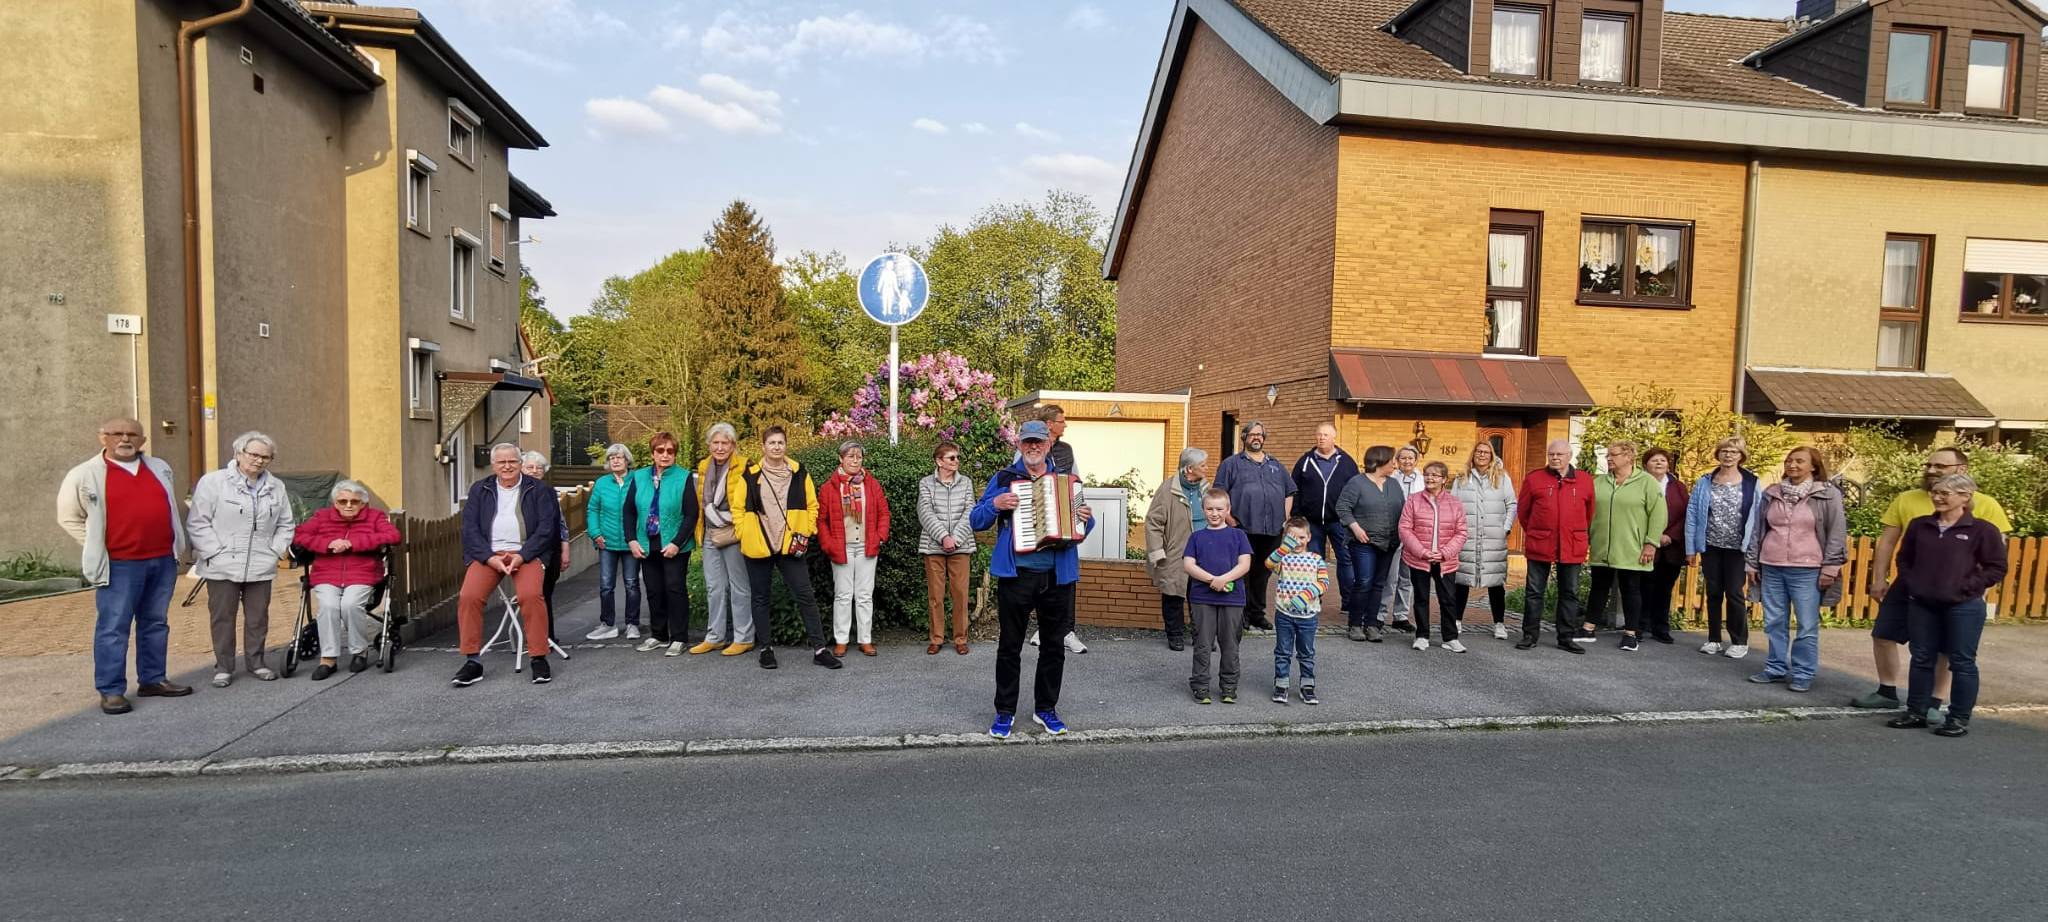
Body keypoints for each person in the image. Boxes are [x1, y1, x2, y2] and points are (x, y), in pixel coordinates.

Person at [1855, 447, 2012, 715]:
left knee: (1943, 650)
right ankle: (1887, 691)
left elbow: (1996, 555)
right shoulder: (1908, 501)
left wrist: (1972, 587)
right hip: (1912, 585)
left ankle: (1934, 702)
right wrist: (1880, 578)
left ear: (1961, 470)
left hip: (1956, 591)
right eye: (1929, 465)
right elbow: (1890, 544)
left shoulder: (1986, 505)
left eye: (1939, 466)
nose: (1931, 470)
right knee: (1883, 635)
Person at [57, 417, 195, 714]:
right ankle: (111, 690)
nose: (125, 438)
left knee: (155, 624)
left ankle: (153, 679)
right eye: (117, 433)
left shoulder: (160, 468)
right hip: (120, 565)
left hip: (162, 560)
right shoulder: (85, 474)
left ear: (142, 440)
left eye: (132, 434)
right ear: (102, 438)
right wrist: (96, 545)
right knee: (113, 628)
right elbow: (69, 517)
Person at [971, 419, 1094, 737]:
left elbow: (1082, 528)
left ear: (1049, 444)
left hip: (1057, 576)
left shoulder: (1067, 481)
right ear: (1020, 444)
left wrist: (1086, 519)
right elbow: (977, 519)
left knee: (1053, 647)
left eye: (1039, 441)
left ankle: (1046, 709)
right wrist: (995, 505)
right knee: (1009, 647)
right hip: (1017, 576)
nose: (1033, 446)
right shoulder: (1004, 478)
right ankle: (1004, 712)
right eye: (1028, 442)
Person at [1885, 474, 2007, 738]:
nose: (1937, 497)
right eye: (1935, 492)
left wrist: (1968, 586)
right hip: (1922, 603)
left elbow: (1997, 567)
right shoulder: (1920, 526)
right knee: (1921, 658)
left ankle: (1958, 718)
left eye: (1945, 493)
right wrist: (1913, 584)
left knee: (1962, 662)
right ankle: (1916, 711)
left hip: (1963, 606)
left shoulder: (1983, 530)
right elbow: (1904, 559)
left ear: (1965, 497)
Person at [188, 431, 297, 687]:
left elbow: (286, 524)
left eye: (266, 457)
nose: (259, 461)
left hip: (261, 563)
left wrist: (274, 551)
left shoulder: (276, 486)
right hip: (221, 563)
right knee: (222, 617)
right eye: (254, 454)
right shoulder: (214, 482)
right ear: (239, 454)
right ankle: (224, 667)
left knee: (258, 617)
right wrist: (214, 552)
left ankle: (257, 663)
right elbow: (198, 523)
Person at [451, 443, 561, 687]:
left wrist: (523, 556)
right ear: (494, 466)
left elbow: (546, 529)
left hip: (526, 553)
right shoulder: (481, 489)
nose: (507, 466)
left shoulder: (539, 489)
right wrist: (490, 558)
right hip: (490, 555)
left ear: (520, 463)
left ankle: (538, 657)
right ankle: (472, 661)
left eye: (512, 461)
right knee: (469, 596)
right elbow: (469, 530)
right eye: (502, 462)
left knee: (531, 595)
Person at [1744, 446, 1847, 693]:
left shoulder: (1827, 494)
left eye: (1799, 461)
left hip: (1807, 569)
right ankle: (1776, 668)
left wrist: (1831, 566)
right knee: (1774, 621)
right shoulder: (1772, 492)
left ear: (1813, 466)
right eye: (1789, 460)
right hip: (1772, 566)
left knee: (1807, 624)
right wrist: (1752, 562)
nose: (1792, 465)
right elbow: (1758, 529)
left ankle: (1803, 673)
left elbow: (1836, 532)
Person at [736, 426, 836, 670]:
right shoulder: (750, 475)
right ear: (763, 446)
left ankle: (820, 648)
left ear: (786, 446)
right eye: (772, 443)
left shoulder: (799, 473)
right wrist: (744, 533)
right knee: (760, 597)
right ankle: (766, 649)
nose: (777, 447)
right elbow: (738, 509)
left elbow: (813, 505)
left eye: (780, 442)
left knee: (805, 594)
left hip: (790, 544)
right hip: (759, 543)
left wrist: (808, 529)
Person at [291, 480, 401, 679]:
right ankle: (328, 658)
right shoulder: (322, 517)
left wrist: (352, 543)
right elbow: (299, 536)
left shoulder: (375, 517)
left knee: (350, 604)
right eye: (343, 501)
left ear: (363, 503)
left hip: (362, 573)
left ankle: (359, 651)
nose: (348, 505)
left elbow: (392, 536)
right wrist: (328, 543)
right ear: (335, 502)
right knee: (329, 606)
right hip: (327, 574)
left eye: (354, 501)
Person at [1584, 440, 1666, 653]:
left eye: (1614, 455)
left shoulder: (1647, 483)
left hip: (1632, 546)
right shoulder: (1599, 482)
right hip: (1603, 546)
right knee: (1598, 586)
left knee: (1630, 589)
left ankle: (1631, 634)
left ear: (1629, 457)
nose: (1609, 458)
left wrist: (1650, 543)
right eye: (1607, 455)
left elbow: (1658, 514)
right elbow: (1587, 510)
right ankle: (1588, 628)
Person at [1212, 420, 1294, 631]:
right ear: (1244, 438)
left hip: (1272, 530)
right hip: (1243, 529)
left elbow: (1289, 492)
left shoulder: (1275, 464)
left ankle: (1258, 613)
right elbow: (1219, 495)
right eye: (1252, 434)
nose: (1256, 438)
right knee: (1243, 572)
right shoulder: (1231, 464)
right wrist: (1230, 520)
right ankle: (1242, 614)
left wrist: (1284, 517)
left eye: (1260, 435)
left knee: (1263, 572)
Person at [623, 432, 698, 657]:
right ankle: (658, 635)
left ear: (674, 454)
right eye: (660, 451)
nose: (665, 455)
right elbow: (628, 511)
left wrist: (677, 542)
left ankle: (679, 637)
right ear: (653, 453)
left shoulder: (683, 477)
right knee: (654, 591)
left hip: (674, 545)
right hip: (647, 543)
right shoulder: (638, 477)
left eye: (670, 451)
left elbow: (691, 514)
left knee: (675, 589)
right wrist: (631, 539)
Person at [1684, 438, 1761, 659]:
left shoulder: (1751, 483)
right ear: (1718, 455)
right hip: (1711, 546)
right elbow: (1692, 515)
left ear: (1741, 456)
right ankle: (1713, 638)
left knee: (1735, 593)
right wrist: (1691, 548)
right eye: (1724, 451)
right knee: (1713, 592)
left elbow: (1758, 517)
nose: (1728, 455)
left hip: (1738, 548)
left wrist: (1754, 550)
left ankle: (1739, 641)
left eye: (1733, 452)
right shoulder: (1705, 482)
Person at [1515, 439, 1594, 653]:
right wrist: (1537, 531)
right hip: (1541, 543)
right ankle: (1530, 635)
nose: (1555, 458)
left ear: (1569, 456)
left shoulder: (1585, 480)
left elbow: (1589, 513)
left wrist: (1574, 531)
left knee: (1570, 592)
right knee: (1534, 592)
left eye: (1559, 454)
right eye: (1551, 454)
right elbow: (1523, 513)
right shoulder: (1534, 479)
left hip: (1572, 544)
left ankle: (1566, 637)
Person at [819, 441, 890, 657]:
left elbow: (884, 514)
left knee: (864, 595)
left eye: (858, 456)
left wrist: (879, 537)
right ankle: (841, 640)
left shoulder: (872, 485)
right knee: (842, 595)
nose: (855, 460)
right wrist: (829, 544)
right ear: (841, 459)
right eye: (850, 456)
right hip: (842, 547)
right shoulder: (830, 487)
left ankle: (864, 640)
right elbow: (821, 521)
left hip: (866, 546)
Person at [1028, 404, 1088, 655]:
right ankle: (1043, 628)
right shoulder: (1030, 448)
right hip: (1039, 518)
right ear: (1050, 424)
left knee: (1067, 577)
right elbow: (1021, 480)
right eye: (1062, 421)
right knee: (1039, 576)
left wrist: (1080, 510)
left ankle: (1067, 631)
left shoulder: (1067, 450)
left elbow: (1077, 481)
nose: (1065, 425)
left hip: (1064, 519)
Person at [691, 423, 755, 656]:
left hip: (734, 532)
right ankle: (715, 636)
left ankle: (744, 637)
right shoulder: (704, 465)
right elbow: (702, 501)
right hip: (709, 531)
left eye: (724, 443)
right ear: (709, 445)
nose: (719, 447)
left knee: (740, 587)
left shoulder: (745, 465)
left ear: (733, 445)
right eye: (715, 443)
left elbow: (750, 502)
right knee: (714, 587)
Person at [1182, 488, 1251, 705]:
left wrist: (1224, 579)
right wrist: (1212, 580)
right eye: (1210, 509)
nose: (1214, 513)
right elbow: (1188, 565)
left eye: (1219, 509)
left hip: (1233, 598)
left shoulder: (1239, 535)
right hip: (1202, 598)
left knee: (1230, 644)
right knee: (1203, 643)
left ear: (1228, 510)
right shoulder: (1196, 537)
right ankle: (1201, 686)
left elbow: (1245, 564)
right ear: (1203, 510)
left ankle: (1229, 687)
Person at [1335, 445, 1404, 642]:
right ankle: (1355, 625)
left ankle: (1372, 625)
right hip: (1363, 541)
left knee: (1378, 584)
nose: (1394, 464)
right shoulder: (1357, 483)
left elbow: (1403, 509)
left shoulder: (1394, 484)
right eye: (1392, 460)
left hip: (1388, 542)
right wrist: (1355, 528)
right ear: (1380, 460)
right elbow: (1342, 507)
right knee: (1364, 582)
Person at [1399, 461, 1469, 652]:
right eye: (1427, 474)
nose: (1430, 478)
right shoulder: (1413, 500)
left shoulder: (1455, 503)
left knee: (1448, 599)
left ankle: (1450, 637)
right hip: (1420, 559)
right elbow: (1405, 529)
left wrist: (1445, 553)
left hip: (1446, 561)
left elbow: (1461, 532)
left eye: (1435, 475)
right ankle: (1422, 635)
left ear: (1444, 480)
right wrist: (1422, 552)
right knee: (1421, 597)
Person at [1290, 423, 1358, 618]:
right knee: (1313, 561)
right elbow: (1294, 489)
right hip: (1311, 521)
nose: (1322, 438)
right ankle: (1314, 598)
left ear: (1334, 437)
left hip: (1339, 521)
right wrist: (1297, 516)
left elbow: (1355, 491)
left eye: (1326, 435)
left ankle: (1348, 602)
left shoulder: (1346, 462)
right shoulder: (1305, 461)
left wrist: (1351, 517)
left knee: (1345, 561)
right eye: (1319, 434)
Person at [1144, 447, 1209, 651]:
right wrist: (1157, 552)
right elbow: (1153, 522)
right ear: (1189, 469)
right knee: (1173, 595)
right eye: (1203, 465)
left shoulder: (1206, 488)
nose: (1207, 469)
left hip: (1203, 552)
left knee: (1200, 597)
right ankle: (1175, 635)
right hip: (1176, 552)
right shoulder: (1167, 489)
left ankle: (1201, 636)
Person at [1450, 442, 1516, 641]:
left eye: (1486, 452)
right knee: (1461, 581)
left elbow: (1512, 504)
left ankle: (1499, 624)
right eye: (1479, 451)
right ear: (1473, 454)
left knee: (1495, 583)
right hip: (1467, 538)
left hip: (1493, 539)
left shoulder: (1502, 478)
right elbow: (1452, 506)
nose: (1482, 455)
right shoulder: (1462, 478)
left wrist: (1505, 528)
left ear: (1492, 456)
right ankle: (1456, 620)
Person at [918, 440, 977, 655]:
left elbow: (970, 511)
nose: (956, 461)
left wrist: (956, 538)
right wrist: (943, 537)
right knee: (936, 595)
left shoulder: (966, 483)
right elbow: (925, 512)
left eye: (957, 457)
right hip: (933, 546)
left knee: (960, 594)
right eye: (952, 458)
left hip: (961, 547)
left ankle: (960, 639)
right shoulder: (926, 483)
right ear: (939, 461)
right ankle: (937, 638)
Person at [1267, 516, 1329, 705]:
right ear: (1285, 538)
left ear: (1309, 537)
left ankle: (1307, 686)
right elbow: (1269, 564)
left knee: (1306, 652)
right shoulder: (1283, 559)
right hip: (1284, 614)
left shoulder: (1316, 559)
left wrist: (1307, 594)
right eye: (1292, 538)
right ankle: (1281, 684)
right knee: (1283, 651)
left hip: (1308, 616)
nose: (1297, 542)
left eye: (1301, 537)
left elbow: (1324, 583)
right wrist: (1283, 548)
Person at [584, 443, 642, 641]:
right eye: (612, 458)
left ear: (627, 460)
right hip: (606, 542)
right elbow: (593, 509)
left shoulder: (637, 480)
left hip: (631, 541)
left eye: (619, 457)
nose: (615, 460)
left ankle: (632, 624)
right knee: (606, 585)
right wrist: (595, 533)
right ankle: (607, 624)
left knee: (632, 583)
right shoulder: (601, 483)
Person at [1639, 447, 1688, 645]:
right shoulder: (1639, 484)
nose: (1659, 463)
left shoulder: (1678, 487)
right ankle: (1639, 626)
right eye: (1654, 460)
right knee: (1644, 587)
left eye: (1663, 460)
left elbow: (1687, 513)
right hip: (1645, 544)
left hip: (1671, 546)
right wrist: (1652, 536)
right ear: (1645, 465)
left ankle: (1661, 628)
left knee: (1665, 588)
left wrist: (1670, 535)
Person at [520, 451, 570, 643]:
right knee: (533, 594)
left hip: (551, 551)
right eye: (530, 467)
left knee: (545, 594)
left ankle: (547, 636)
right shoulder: (517, 494)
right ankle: (534, 636)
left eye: (538, 468)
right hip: (525, 552)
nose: (534, 471)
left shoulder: (549, 492)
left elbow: (561, 524)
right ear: (522, 469)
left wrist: (565, 550)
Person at [1381, 445, 1425, 632]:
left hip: (1414, 534)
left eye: (1410, 458)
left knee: (1406, 577)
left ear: (1416, 461)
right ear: (1397, 461)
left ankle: (1401, 616)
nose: (1407, 461)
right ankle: (1380, 614)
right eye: (1403, 458)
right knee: (1390, 577)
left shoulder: (1423, 481)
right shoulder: (1390, 479)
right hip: (1394, 531)